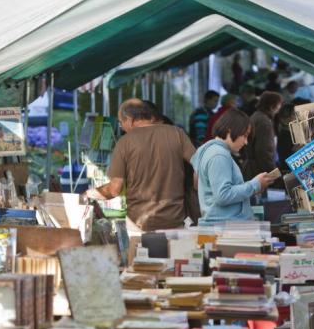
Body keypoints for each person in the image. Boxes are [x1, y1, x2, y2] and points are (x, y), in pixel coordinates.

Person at [85, 99, 195, 232]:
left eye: (121, 123)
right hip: (175, 221)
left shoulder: (125, 142)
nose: (123, 128)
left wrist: (89, 193)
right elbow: (200, 165)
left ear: (130, 120)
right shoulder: (177, 133)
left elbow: (114, 189)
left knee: (139, 253)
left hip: (139, 223)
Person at [191, 108, 275, 225]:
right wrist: (255, 184)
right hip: (225, 228)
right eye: (244, 136)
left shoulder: (209, 150)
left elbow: (199, 185)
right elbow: (223, 195)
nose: (246, 142)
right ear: (230, 131)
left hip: (221, 225)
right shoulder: (219, 155)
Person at [243, 91, 284, 181]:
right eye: (278, 106)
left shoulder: (257, 116)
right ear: (272, 106)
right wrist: (275, 176)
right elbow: (264, 151)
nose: (279, 109)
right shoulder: (264, 122)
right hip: (258, 171)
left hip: (253, 169)